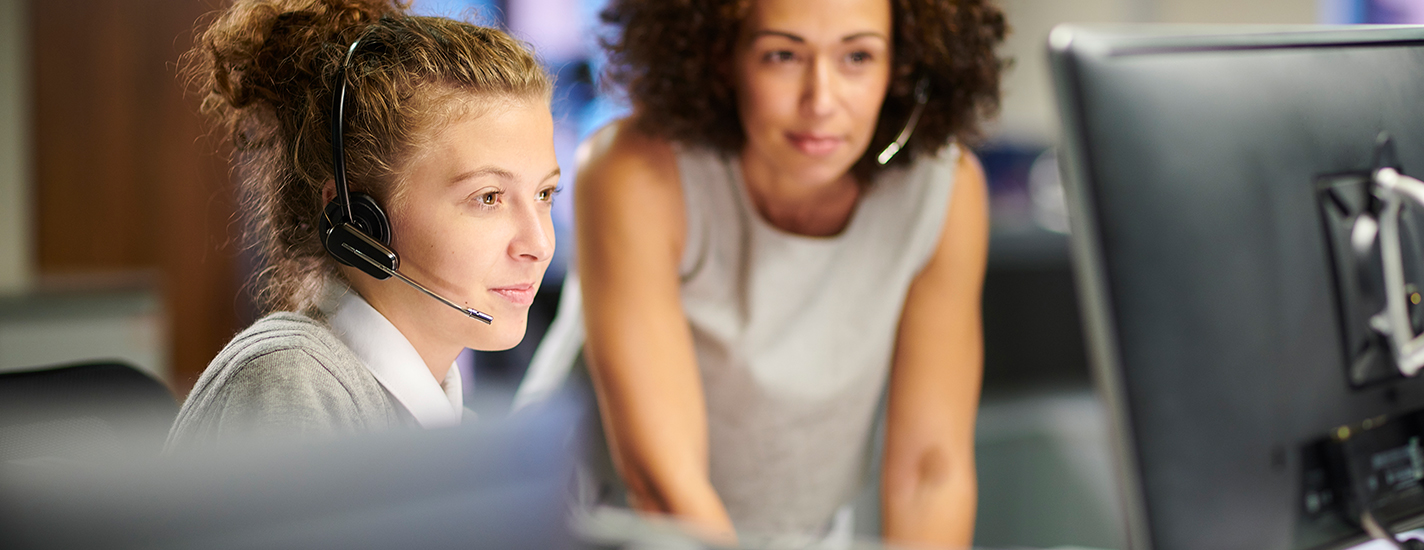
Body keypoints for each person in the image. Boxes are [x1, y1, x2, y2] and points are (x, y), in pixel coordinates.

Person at [516, 0, 1008, 546]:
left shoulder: (946, 189)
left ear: (904, 63)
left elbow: (929, 476)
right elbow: (665, 488)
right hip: (608, 527)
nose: (821, 101)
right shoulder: (635, 171)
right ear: (721, 56)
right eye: (782, 55)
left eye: (858, 57)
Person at [167, 0, 559, 450]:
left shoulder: (445, 423)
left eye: (544, 194)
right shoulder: (291, 387)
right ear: (358, 219)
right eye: (488, 198)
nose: (539, 243)